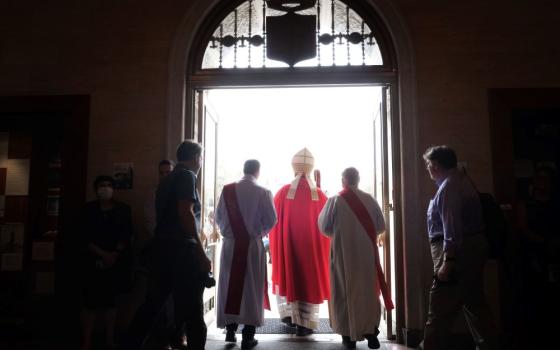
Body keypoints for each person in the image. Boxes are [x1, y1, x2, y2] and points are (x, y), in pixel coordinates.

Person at [124, 140, 211, 350]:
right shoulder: (187, 175)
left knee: (151, 305)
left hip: (161, 251)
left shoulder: (166, 180)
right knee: (193, 312)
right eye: (200, 159)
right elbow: (185, 213)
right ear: (196, 158)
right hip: (182, 251)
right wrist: (200, 252)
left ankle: (129, 344)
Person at [421, 145, 496, 350]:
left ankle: (430, 347)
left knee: (439, 305)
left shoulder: (449, 188)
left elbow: (451, 229)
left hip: (458, 253)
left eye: (428, 165)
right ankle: (488, 344)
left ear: (435, 165)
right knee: (474, 303)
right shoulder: (461, 180)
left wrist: (448, 261)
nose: (427, 168)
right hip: (471, 249)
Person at [318, 167, 393, 349]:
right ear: (358, 180)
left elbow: (324, 227)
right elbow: (381, 226)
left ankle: (348, 337)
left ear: (343, 181)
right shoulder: (369, 199)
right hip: (366, 254)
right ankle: (371, 333)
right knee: (368, 291)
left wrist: (338, 233)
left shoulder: (335, 200)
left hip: (343, 255)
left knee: (344, 291)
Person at [215, 159, 277, 349]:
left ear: (244, 170)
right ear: (257, 171)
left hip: (231, 246)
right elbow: (272, 220)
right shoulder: (263, 192)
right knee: (252, 289)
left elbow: (218, 218)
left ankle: (231, 332)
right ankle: (248, 336)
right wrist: (258, 233)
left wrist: (232, 232)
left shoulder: (227, 190)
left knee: (230, 287)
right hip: (251, 246)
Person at [269, 148, 330, 336]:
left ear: (294, 170)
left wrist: (278, 244)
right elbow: (328, 226)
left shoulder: (283, 192)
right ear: (310, 170)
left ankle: (290, 317)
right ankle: (305, 324)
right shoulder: (319, 195)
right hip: (311, 250)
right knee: (308, 281)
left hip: (290, 248)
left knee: (292, 277)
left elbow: (272, 222)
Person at [80, 175, 133, 350]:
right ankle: (87, 341)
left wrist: (114, 254)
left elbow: (126, 234)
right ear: (96, 189)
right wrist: (102, 254)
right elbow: (83, 236)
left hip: (115, 262)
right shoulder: (87, 210)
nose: (106, 188)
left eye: (109, 185)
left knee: (111, 303)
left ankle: (110, 340)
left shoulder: (123, 210)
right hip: (91, 261)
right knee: (90, 303)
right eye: (102, 185)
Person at [514, 166, 559, 347]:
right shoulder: (525, 204)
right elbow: (522, 228)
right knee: (535, 297)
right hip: (534, 254)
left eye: (545, 179)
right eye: (539, 178)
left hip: (554, 255)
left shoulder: (555, 203)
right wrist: (543, 241)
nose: (542, 182)